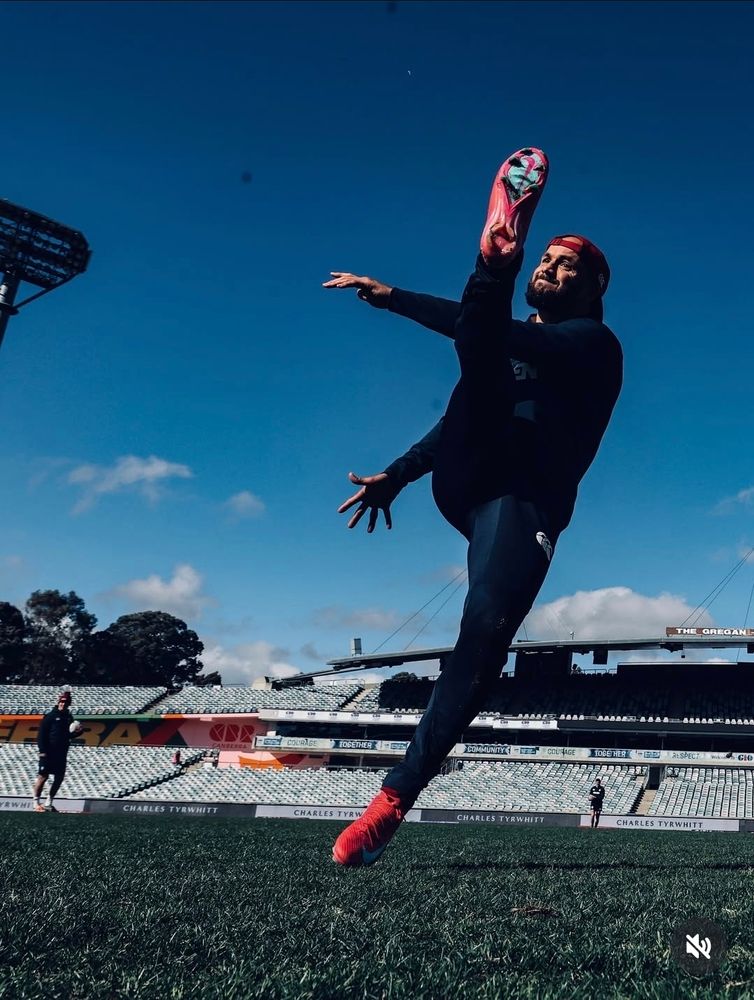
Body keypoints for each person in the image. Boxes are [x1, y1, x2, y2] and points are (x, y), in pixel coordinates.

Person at [324, 147, 623, 866]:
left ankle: (393, 799)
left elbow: (487, 334)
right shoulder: (516, 347)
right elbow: (461, 412)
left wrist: (398, 297)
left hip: (523, 503)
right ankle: (493, 259)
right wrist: (397, 473)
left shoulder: (594, 345)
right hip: (468, 474)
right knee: (482, 373)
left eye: (565, 267)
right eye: (543, 261)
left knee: (484, 633)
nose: (551, 272)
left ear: (593, 290)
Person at [32, 690, 79, 812]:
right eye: (61, 701)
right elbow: (41, 735)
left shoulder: (69, 717)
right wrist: (42, 751)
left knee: (59, 777)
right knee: (43, 776)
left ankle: (49, 801)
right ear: (58, 702)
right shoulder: (50, 716)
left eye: (65, 702)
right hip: (48, 752)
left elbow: (67, 736)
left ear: (69, 704)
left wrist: (77, 733)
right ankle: (35, 802)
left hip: (61, 752)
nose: (63, 704)